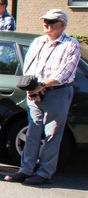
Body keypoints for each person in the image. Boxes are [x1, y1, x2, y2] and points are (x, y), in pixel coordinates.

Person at [5, 9, 80, 186]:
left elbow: (64, 73)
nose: (46, 24)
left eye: (51, 21)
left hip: (57, 92)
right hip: (35, 92)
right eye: (45, 21)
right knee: (32, 131)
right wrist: (32, 89)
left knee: (52, 134)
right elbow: (28, 67)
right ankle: (25, 170)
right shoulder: (38, 42)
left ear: (62, 24)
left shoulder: (71, 45)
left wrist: (42, 86)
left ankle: (44, 173)